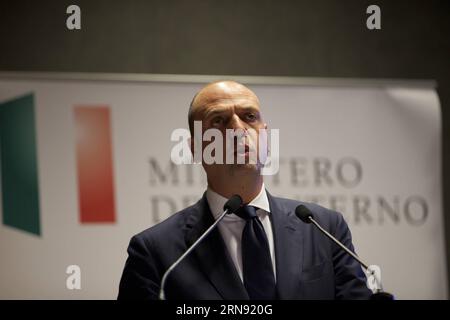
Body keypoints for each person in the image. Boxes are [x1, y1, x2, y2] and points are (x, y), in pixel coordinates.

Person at [117, 80, 372, 300]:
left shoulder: (324, 228)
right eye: (219, 120)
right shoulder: (155, 252)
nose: (238, 129)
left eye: (250, 117)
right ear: (195, 148)